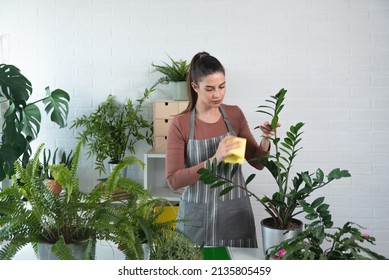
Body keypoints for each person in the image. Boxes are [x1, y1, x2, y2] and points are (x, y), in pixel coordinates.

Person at [165, 51, 276, 248]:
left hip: (234, 215)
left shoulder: (233, 115)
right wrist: (214, 159)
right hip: (196, 218)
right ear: (195, 86)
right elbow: (174, 180)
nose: (217, 94)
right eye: (209, 89)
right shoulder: (180, 124)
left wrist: (266, 139)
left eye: (222, 86)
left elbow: (257, 163)